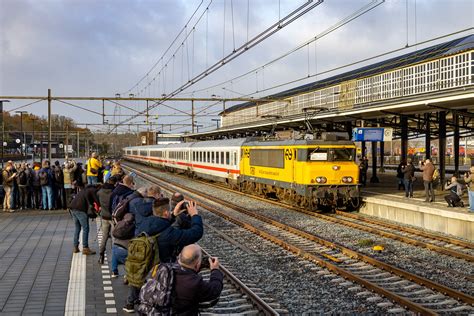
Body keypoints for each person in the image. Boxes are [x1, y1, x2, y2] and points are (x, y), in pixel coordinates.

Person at [123, 199, 204, 313]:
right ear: (166, 213)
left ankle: (132, 302)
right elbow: (195, 233)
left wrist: (172, 215)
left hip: (144, 268)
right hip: (160, 275)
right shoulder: (168, 233)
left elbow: (159, 224)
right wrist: (195, 215)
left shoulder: (144, 223)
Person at [172, 244, 224, 315]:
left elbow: (184, 270)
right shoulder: (194, 284)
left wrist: (197, 267)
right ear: (197, 264)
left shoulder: (162, 269)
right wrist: (215, 270)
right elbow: (214, 289)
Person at [70, 184, 100, 255]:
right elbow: (97, 202)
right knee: (86, 228)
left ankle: (75, 247)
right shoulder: (93, 190)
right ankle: (85, 248)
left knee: (77, 228)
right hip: (80, 209)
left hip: (72, 208)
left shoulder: (84, 190)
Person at [97, 176, 118, 264]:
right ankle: (114, 259)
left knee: (104, 236)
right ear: (115, 183)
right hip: (112, 217)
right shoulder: (114, 192)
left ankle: (101, 256)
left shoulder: (100, 192)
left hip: (104, 216)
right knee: (114, 238)